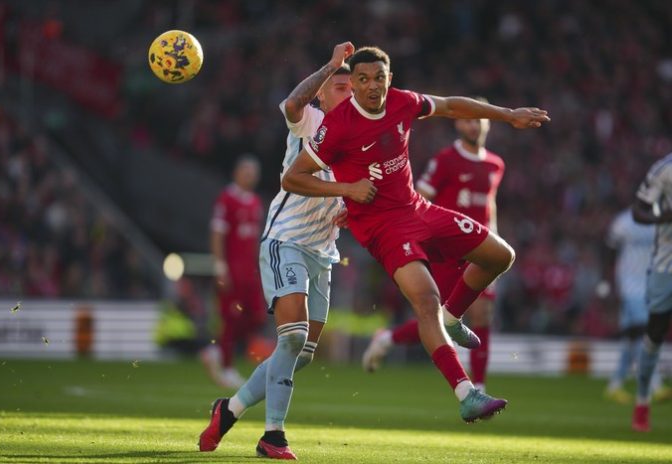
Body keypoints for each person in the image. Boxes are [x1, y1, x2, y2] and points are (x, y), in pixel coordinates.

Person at [282, 46, 549, 424]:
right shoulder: (338, 125)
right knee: (426, 300)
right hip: (382, 227)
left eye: (379, 78)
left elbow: (452, 105)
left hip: (417, 209)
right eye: (362, 80)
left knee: (500, 256)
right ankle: (466, 393)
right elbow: (292, 177)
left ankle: (453, 318)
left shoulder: (403, 102)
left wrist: (508, 115)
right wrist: (347, 190)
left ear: (389, 80)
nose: (372, 86)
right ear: (354, 85)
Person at [199, 42, 354, 459]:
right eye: (340, 85)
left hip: (324, 252)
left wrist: (348, 212)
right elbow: (290, 103)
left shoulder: (361, 140)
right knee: (294, 336)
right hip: (286, 240)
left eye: (351, 87)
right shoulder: (312, 119)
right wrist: (331, 65)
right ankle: (274, 436)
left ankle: (228, 410)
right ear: (324, 91)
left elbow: (355, 198)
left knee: (300, 353)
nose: (349, 93)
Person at [362, 111, 504, 394]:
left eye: (478, 120)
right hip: (448, 247)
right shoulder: (445, 160)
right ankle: (389, 338)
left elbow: (491, 205)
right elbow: (421, 196)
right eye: (468, 119)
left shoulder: (495, 165)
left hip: (479, 247)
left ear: (486, 124)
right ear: (458, 123)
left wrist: (494, 245)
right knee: (436, 316)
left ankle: (479, 385)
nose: (473, 124)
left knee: (482, 312)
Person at [202, 156, 265, 388]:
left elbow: (254, 239)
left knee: (257, 315)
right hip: (232, 270)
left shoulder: (255, 202)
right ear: (237, 173)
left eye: (253, 172)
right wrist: (220, 267)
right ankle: (227, 366)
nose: (250, 176)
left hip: (250, 271)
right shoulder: (227, 199)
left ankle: (216, 351)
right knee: (231, 318)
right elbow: (217, 233)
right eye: (246, 171)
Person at [604, 208, 671, 404]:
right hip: (629, 285)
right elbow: (609, 248)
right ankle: (655, 385)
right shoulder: (624, 221)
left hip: (651, 283)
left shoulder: (662, 221)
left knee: (631, 336)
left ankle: (615, 385)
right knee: (645, 332)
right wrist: (606, 281)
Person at [631, 152, 672, 432]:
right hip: (666, 264)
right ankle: (643, 399)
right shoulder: (664, 170)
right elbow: (639, 211)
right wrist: (664, 215)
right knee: (655, 333)